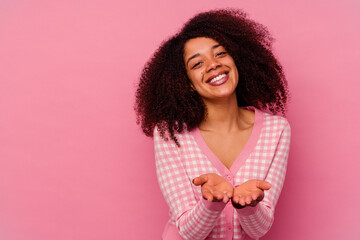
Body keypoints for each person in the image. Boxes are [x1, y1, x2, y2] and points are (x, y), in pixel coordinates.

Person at [135, 9, 291, 240]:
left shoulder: (275, 130)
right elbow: (188, 232)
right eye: (197, 64)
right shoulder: (171, 134)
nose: (213, 65)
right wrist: (211, 203)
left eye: (220, 54)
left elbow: (259, 229)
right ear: (186, 83)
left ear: (236, 60)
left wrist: (248, 206)